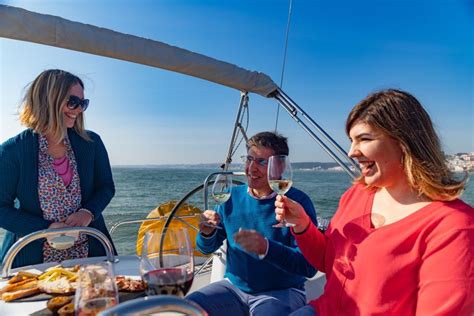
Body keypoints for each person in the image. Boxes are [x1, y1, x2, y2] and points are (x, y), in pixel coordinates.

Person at [275, 89, 474, 315]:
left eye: (364, 139)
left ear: (404, 142)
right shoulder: (357, 194)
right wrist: (302, 225)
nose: (351, 152)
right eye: (351, 140)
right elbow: (327, 261)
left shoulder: (453, 227)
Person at [187, 131, 318, 315]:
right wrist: (207, 233)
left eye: (262, 162)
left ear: (279, 167)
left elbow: (309, 267)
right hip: (234, 288)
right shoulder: (231, 197)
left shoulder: (298, 203)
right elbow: (206, 248)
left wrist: (266, 248)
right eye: (249, 159)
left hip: (282, 292)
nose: (252, 168)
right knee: (185, 309)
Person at [0, 69, 116, 268]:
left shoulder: (92, 143)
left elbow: (106, 186)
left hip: (92, 257)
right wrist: (47, 229)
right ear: (48, 100)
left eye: (83, 104)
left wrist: (88, 212)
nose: (79, 109)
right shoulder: (12, 151)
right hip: (31, 263)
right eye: (73, 102)